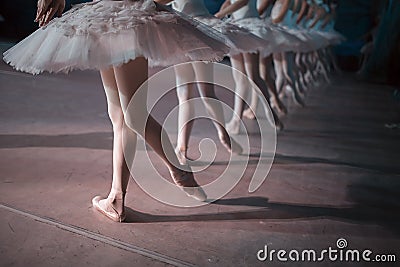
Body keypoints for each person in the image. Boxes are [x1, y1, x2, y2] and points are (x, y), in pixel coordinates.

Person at [4, 0, 232, 222]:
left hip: (123, 18)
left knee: (132, 113)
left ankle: (178, 171)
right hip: (109, 17)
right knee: (119, 115)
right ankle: (117, 197)